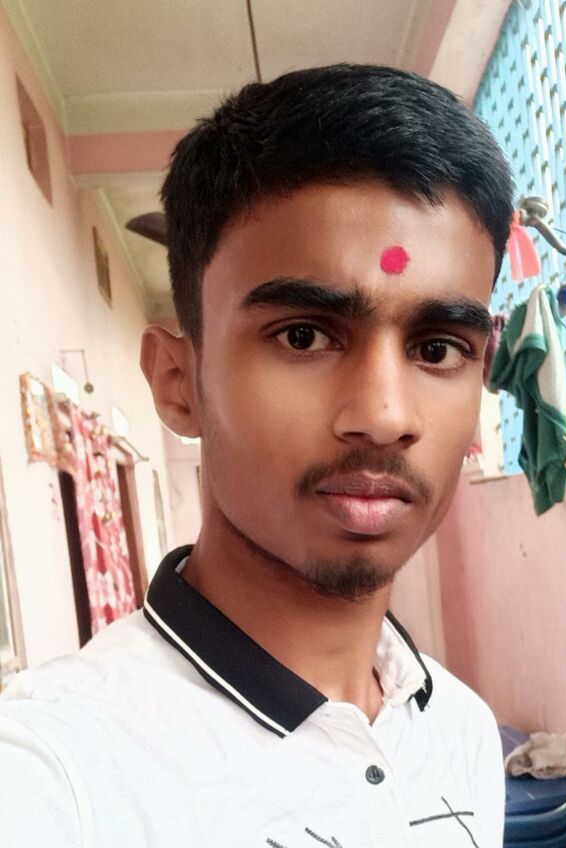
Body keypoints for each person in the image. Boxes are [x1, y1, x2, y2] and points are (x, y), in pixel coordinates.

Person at [0, 64, 513, 847]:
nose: (384, 416)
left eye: (438, 347)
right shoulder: (56, 776)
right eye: (303, 336)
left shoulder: (462, 730)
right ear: (178, 382)